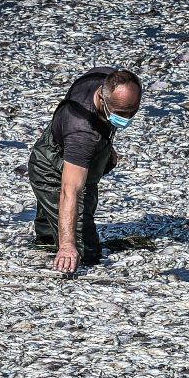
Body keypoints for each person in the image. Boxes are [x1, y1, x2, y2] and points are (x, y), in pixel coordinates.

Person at [27, 67, 142, 273]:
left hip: (65, 139)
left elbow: (109, 115)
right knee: (86, 252)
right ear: (101, 96)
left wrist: (107, 146)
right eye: (121, 113)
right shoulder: (82, 132)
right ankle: (56, 240)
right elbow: (70, 191)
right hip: (51, 165)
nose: (127, 118)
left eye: (133, 111)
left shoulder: (104, 77)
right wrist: (68, 246)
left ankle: (46, 234)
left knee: (49, 231)